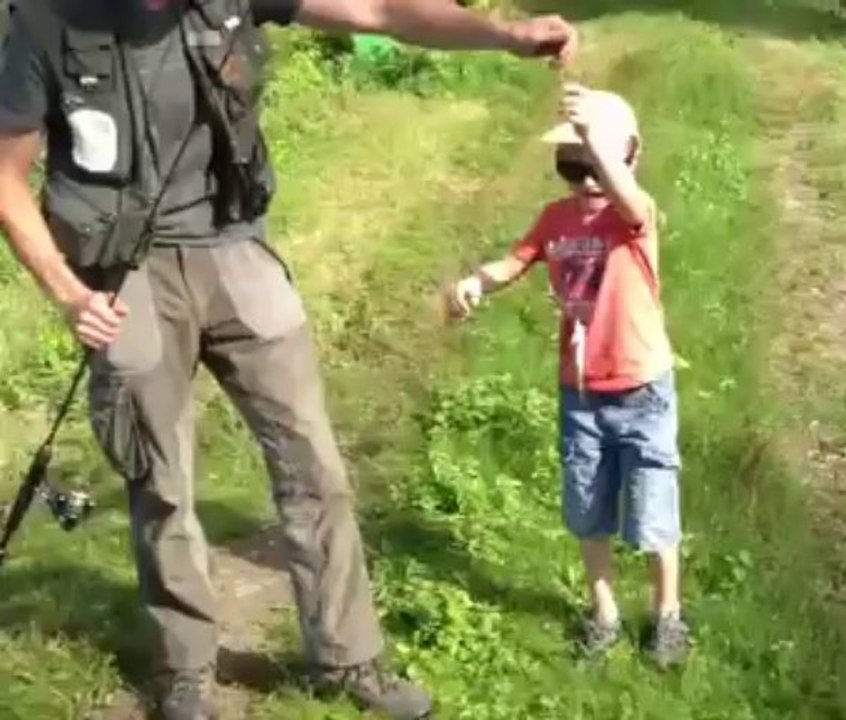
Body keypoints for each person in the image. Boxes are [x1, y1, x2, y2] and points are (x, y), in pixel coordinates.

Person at [0, 1, 577, 719]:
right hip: (124, 276)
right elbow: (6, 174)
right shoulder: (49, 22)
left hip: (234, 248)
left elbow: (378, 9)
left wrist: (506, 34)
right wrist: (67, 293)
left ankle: (348, 657)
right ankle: (186, 670)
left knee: (314, 464)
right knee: (161, 482)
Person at [445, 83, 690, 668]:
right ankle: (604, 613)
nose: (585, 181)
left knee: (653, 508)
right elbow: (516, 260)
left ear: (629, 156)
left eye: (595, 165)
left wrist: (594, 142)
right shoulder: (555, 218)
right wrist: (476, 281)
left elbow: (627, 197)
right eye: (571, 166)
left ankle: (668, 616)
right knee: (587, 508)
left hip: (643, 390)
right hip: (581, 392)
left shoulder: (634, 216)